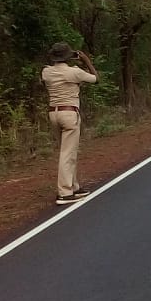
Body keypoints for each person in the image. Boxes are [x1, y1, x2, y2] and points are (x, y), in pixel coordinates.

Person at [41, 42, 98, 205]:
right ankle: (65, 192)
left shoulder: (46, 72)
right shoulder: (74, 72)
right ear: (68, 56)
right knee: (68, 154)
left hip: (54, 112)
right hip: (69, 113)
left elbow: (43, 81)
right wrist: (86, 61)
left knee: (66, 151)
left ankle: (73, 186)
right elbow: (95, 79)